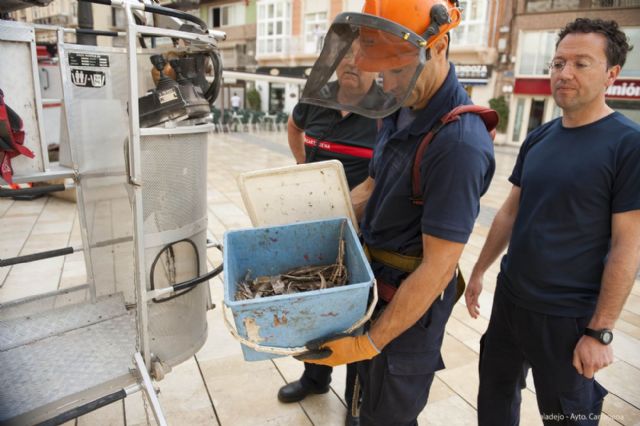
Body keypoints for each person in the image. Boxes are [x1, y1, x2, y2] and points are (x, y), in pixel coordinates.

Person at [297, 1, 496, 424]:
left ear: (438, 47)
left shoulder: (459, 144)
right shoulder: (401, 104)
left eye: (398, 71)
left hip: (408, 311)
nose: (386, 83)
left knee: (387, 414)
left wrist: (369, 342)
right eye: (381, 71)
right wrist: (316, 218)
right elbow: (372, 185)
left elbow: (439, 269)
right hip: (373, 287)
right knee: (359, 404)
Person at [464, 18, 639, 425]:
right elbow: (510, 210)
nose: (564, 73)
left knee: (566, 416)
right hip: (511, 303)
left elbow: (628, 245)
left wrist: (600, 332)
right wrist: (479, 270)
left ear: (612, 74)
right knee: (494, 397)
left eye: (581, 63)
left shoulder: (627, 145)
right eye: (558, 63)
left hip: (567, 317)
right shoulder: (539, 137)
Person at [278, 45, 379, 426]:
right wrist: (302, 164)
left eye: (362, 55)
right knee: (315, 307)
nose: (353, 62)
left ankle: (355, 401)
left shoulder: (386, 108)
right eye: (346, 55)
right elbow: (294, 125)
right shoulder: (315, 97)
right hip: (317, 223)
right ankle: (314, 378)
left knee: (355, 317)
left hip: (363, 231)